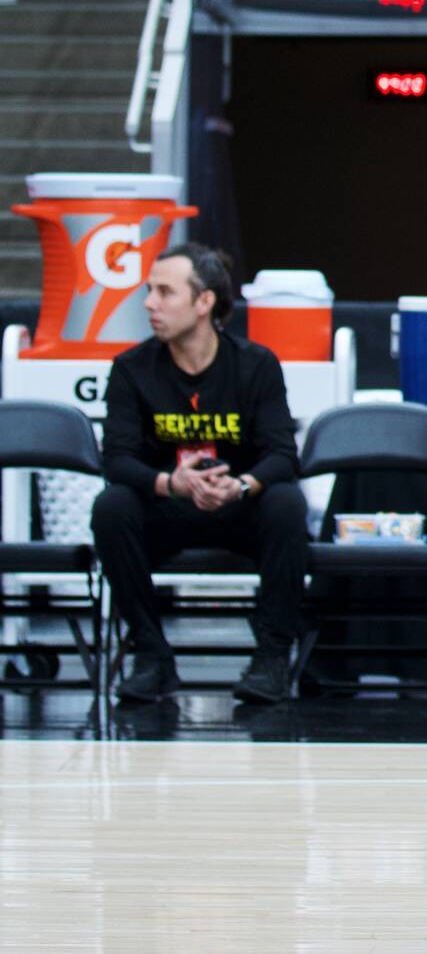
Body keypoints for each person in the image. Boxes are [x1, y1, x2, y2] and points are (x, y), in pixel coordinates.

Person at [90, 243, 306, 705]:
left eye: (164, 292)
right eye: (150, 292)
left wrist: (241, 486)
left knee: (286, 502)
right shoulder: (131, 369)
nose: (150, 303)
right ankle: (151, 657)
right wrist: (172, 483)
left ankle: (271, 659)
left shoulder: (256, 365)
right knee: (112, 507)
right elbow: (116, 459)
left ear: (204, 302)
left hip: (237, 506)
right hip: (168, 506)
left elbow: (284, 454)